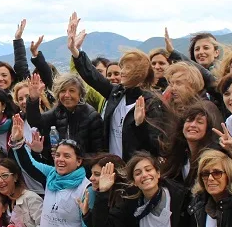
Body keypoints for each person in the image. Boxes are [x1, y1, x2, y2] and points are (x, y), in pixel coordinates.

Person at [69, 13, 164, 159]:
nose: (123, 72)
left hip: (135, 170)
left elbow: (156, 147)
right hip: (112, 165)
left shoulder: (152, 102)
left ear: (140, 73)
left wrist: (141, 125)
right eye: (123, 67)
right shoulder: (117, 93)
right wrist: (76, 52)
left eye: (128, 68)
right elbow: (92, 76)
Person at [24, 73, 106, 156]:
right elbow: (36, 122)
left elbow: (99, 152)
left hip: (83, 167)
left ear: (80, 94)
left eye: (72, 91)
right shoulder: (58, 112)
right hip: (60, 165)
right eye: (63, 91)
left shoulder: (92, 116)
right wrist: (33, 100)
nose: (67, 95)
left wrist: (75, 158)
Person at [160, 101, 225, 186]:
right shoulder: (179, 154)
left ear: (209, 128)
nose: (193, 125)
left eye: (200, 122)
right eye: (189, 120)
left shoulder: (213, 157)